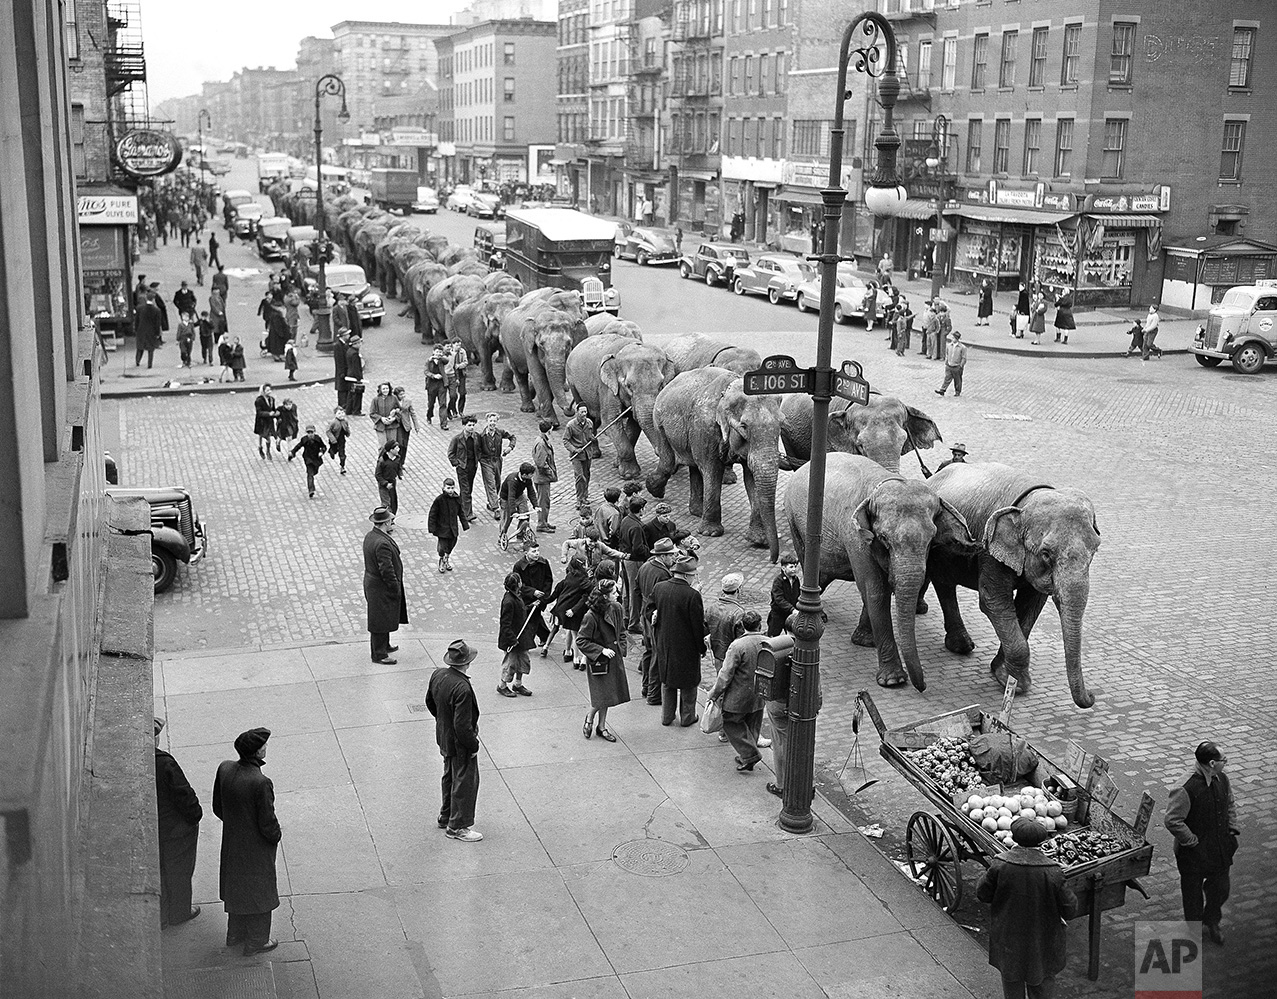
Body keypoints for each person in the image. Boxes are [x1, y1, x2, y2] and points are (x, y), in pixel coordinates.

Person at [975, 817, 1079, 999]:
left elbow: (983, 893)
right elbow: (1070, 909)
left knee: (1012, 986)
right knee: (1042, 987)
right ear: (1042, 841)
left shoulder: (1000, 865)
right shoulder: (1053, 872)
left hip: (1009, 940)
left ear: (1014, 838)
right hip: (1043, 943)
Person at [212, 727, 282, 956]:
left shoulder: (225, 768)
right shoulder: (260, 782)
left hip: (233, 842)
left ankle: (235, 933)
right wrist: (276, 836)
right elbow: (267, 823)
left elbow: (217, 807)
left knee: (237, 888)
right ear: (256, 752)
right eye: (263, 746)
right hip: (255, 848)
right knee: (260, 892)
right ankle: (257, 941)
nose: (265, 748)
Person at [1164, 741, 1238, 945]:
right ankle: (1195, 927)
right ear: (1212, 763)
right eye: (1224, 760)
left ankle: (1212, 921)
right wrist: (1192, 841)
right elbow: (1172, 820)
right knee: (1192, 894)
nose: (1226, 763)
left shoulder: (1221, 778)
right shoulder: (1185, 787)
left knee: (1221, 889)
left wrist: (1232, 826)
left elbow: (1229, 802)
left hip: (1219, 848)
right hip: (1193, 854)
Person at [426, 639, 483, 842]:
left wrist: (443, 721)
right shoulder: (462, 688)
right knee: (464, 782)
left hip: (444, 737)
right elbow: (463, 726)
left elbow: (429, 702)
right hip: (460, 744)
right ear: (467, 662)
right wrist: (473, 745)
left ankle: (446, 814)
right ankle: (457, 826)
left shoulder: (438, 674)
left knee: (449, 776)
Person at [154, 716, 202, 928]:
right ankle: (179, 912)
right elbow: (184, 795)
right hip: (175, 829)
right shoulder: (164, 762)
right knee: (179, 871)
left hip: (156, 828)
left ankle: (162, 915)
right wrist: (195, 816)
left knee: (161, 871)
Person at [707, 612, 767, 772]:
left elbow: (725, 675)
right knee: (753, 725)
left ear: (742, 626)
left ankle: (749, 755)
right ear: (759, 626)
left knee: (731, 722)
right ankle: (747, 755)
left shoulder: (737, 646)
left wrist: (714, 693)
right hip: (759, 693)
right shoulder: (768, 643)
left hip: (739, 695)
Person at [652, 553, 706, 727]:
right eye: (692, 575)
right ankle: (688, 716)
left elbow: (649, 610)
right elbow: (697, 627)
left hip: (665, 644)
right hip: (686, 648)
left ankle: (667, 716)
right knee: (689, 684)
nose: (694, 578)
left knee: (667, 682)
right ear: (685, 575)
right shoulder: (692, 595)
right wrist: (702, 648)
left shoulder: (659, 588)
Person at [575, 579, 631, 741]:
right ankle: (591, 718)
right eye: (614, 593)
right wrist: (601, 650)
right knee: (603, 695)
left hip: (613, 659)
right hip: (600, 661)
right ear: (605, 596)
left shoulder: (617, 608)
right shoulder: (591, 616)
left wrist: (620, 648)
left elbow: (621, 630)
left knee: (608, 695)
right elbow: (581, 641)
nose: (618, 595)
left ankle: (601, 726)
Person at [363, 505, 406, 664]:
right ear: (385, 523)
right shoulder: (382, 543)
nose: (392, 524)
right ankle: (379, 654)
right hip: (380, 587)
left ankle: (384, 645)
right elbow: (386, 570)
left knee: (384, 617)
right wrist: (395, 587)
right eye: (391, 521)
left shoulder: (371, 536)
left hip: (373, 584)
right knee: (379, 620)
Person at [636, 537, 678, 703]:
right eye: (672, 555)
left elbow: (636, 588)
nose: (674, 558)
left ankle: (646, 687)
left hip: (645, 614)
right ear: (663, 556)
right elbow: (664, 598)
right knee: (656, 654)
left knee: (648, 652)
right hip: (655, 617)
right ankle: (653, 693)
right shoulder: (662, 574)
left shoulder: (645, 566)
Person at [548, 554, 593, 665]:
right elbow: (589, 591)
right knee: (577, 635)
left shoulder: (570, 575)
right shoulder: (583, 579)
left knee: (571, 632)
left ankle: (569, 653)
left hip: (565, 608)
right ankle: (578, 659)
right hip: (574, 611)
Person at [497, 570, 536, 697]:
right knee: (510, 663)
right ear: (517, 584)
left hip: (521, 637)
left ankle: (518, 684)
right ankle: (502, 686)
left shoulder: (516, 596)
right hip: (512, 639)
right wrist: (512, 640)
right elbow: (505, 624)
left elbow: (521, 611)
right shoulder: (508, 601)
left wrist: (530, 606)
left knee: (524, 661)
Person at [616, 496, 650, 632]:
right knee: (635, 591)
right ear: (640, 509)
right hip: (634, 560)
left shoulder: (626, 519)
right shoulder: (637, 526)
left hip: (625, 558)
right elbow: (638, 548)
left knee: (626, 589)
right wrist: (648, 551)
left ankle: (626, 616)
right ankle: (634, 622)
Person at [513, 537, 554, 647]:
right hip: (526, 598)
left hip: (539, 598)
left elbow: (548, 579)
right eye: (534, 551)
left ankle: (527, 643)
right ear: (526, 552)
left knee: (532, 619)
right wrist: (533, 592)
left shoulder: (543, 563)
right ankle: (544, 636)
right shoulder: (518, 566)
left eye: (538, 551)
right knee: (530, 618)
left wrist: (544, 595)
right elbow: (518, 584)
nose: (537, 554)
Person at [704, 572, 747, 672]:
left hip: (717, 655)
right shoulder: (739, 613)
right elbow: (742, 640)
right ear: (738, 589)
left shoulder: (711, 608)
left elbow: (704, 630)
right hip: (733, 658)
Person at [477, 413, 516, 518]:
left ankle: (491, 502)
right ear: (487, 421)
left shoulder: (500, 433)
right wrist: (480, 459)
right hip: (486, 461)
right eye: (491, 421)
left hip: (497, 460)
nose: (492, 423)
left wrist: (510, 448)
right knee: (491, 483)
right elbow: (477, 448)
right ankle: (496, 508)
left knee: (497, 482)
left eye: (494, 421)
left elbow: (512, 437)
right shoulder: (481, 435)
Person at [428, 477, 469, 572]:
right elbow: (432, 514)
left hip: (452, 528)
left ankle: (446, 558)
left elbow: (461, 512)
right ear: (443, 488)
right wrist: (432, 527)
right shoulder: (439, 500)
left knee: (452, 543)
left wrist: (465, 524)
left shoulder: (457, 499)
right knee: (442, 546)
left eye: (452, 488)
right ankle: (442, 559)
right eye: (448, 488)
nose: (450, 490)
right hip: (442, 528)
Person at [562, 404, 600, 506]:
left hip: (587, 454)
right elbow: (565, 440)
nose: (584, 414)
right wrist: (574, 449)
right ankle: (579, 499)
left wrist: (592, 438)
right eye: (582, 412)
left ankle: (584, 496)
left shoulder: (589, 423)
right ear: (577, 412)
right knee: (579, 476)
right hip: (577, 456)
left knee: (587, 475)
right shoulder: (570, 425)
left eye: (585, 412)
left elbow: (590, 435)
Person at [447, 415, 482, 524]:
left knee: (468, 489)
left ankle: (460, 508)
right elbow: (451, 453)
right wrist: (457, 464)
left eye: (473, 425)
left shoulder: (476, 437)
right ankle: (468, 514)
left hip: (472, 466)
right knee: (466, 490)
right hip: (462, 467)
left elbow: (479, 449)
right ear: (464, 425)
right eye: (469, 425)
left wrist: (478, 458)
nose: (471, 427)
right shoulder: (457, 439)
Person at [531, 419, 559, 532]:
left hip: (541, 477)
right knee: (543, 502)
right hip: (542, 478)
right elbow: (541, 463)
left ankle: (544, 521)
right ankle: (541, 524)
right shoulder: (542, 443)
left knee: (544, 500)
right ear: (550, 429)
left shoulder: (540, 439)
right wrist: (550, 472)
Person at [288, 423, 327, 498]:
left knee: (315, 471)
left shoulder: (318, 439)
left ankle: (312, 484)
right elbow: (298, 446)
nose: (310, 435)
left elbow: (324, 447)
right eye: (308, 433)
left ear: (314, 432)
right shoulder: (304, 439)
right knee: (310, 474)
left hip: (316, 458)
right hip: (308, 458)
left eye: (311, 433)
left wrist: (321, 452)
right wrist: (292, 452)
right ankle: (311, 490)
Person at [768, 553, 801, 636]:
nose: (794, 569)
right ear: (783, 568)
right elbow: (779, 599)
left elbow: (798, 595)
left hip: (791, 614)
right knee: (773, 637)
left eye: (795, 566)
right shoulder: (778, 581)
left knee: (793, 636)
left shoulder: (796, 580)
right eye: (791, 567)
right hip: (778, 614)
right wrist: (792, 609)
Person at [425, 345, 451, 428]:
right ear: (433, 352)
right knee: (431, 403)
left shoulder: (442, 360)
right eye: (437, 352)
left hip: (441, 384)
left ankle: (444, 423)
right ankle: (429, 416)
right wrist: (433, 375)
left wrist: (440, 357)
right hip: (431, 384)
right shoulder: (429, 361)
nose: (438, 354)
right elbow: (426, 371)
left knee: (443, 404)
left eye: (440, 352)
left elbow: (446, 360)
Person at [935, 330, 968, 398]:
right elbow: (947, 354)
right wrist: (947, 362)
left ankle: (957, 391)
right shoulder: (949, 345)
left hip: (957, 366)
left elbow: (964, 358)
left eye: (953, 338)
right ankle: (942, 390)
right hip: (949, 365)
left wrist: (961, 366)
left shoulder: (962, 347)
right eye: (952, 338)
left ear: (957, 339)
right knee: (947, 378)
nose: (952, 339)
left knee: (957, 380)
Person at [134, 293, 162, 369]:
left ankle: (137, 361)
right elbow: (157, 323)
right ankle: (149, 364)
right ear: (153, 300)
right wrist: (157, 333)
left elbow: (136, 320)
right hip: (151, 331)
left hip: (141, 330)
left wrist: (136, 329)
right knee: (150, 349)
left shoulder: (140, 308)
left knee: (140, 347)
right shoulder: (157, 310)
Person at [392, 387, 417, 469]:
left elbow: (413, 413)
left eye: (403, 394)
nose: (403, 396)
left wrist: (416, 425)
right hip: (397, 425)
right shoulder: (393, 402)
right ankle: (397, 463)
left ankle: (402, 462)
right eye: (400, 394)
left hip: (406, 426)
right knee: (399, 444)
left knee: (405, 445)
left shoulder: (408, 402)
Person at [375, 440, 403, 514]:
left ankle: (392, 517)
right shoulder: (382, 461)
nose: (398, 449)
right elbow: (378, 475)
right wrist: (385, 484)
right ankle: (386, 519)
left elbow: (399, 467)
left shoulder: (397, 458)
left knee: (393, 501)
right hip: (384, 485)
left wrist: (400, 474)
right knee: (386, 503)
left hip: (392, 483)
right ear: (391, 450)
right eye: (396, 448)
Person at [369, 381, 398, 450]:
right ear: (380, 390)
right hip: (380, 426)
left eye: (387, 388)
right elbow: (372, 413)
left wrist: (393, 418)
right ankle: (381, 460)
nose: (385, 390)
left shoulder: (394, 398)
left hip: (392, 426)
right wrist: (381, 418)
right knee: (382, 446)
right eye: (383, 389)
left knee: (392, 445)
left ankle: (391, 460)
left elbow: (399, 410)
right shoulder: (375, 400)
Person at [253, 384, 277, 459]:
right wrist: (268, 414)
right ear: (263, 391)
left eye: (270, 390)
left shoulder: (272, 399)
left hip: (269, 421)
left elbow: (273, 409)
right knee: (261, 435)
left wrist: (276, 414)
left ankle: (268, 450)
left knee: (268, 436)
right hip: (262, 421)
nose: (269, 392)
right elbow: (259, 412)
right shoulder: (259, 400)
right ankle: (260, 447)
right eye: (267, 390)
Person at [447, 338, 469, 419]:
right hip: (452, 375)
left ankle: (461, 410)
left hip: (461, 373)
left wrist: (459, 365)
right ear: (453, 345)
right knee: (453, 395)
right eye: (457, 345)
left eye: (460, 345)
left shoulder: (462, 352)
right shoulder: (449, 353)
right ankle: (451, 409)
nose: (458, 347)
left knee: (462, 393)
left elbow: (466, 362)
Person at [344, 335, 365, 415]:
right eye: (359, 343)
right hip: (354, 376)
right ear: (355, 343)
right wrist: (359, 378)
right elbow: (356, 367)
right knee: (357, 394)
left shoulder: (349, 351)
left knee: (351, 393)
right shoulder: (355, 354)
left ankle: (349, 410)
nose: (360, 344)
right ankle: (356, 410)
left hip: (350, 374)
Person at [326, 406, 350, 475]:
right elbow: (328, 431)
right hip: (334, 440)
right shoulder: (333, 422)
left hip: (341, 440)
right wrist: (332, 439)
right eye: (339, 413)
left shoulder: (345, 421)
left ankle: (342, 466)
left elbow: (347, 427)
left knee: (342, 453)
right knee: (334, 450)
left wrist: (348, 432)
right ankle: (331, 451)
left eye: (342, 413)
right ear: (335, 414)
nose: (341, 415)